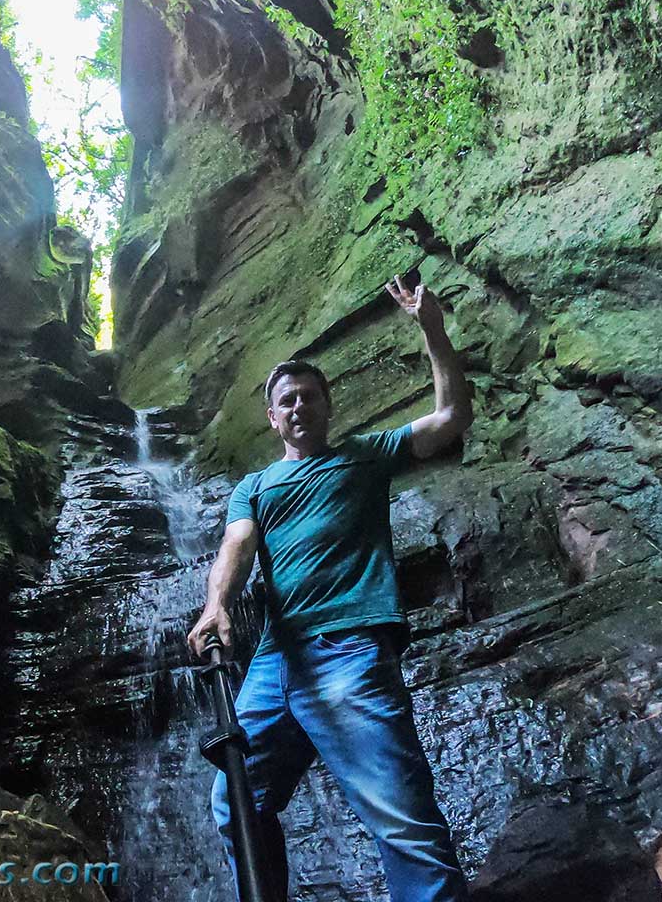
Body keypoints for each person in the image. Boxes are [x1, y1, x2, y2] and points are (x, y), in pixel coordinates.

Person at [186, 274, 474, 902]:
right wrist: (217, 606)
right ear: (272, 418)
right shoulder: (255, 486)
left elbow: (452, 417)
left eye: (309, 396)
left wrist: (432, 328)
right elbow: (236, 546)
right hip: (273, 662)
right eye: (287, 400)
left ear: (327, 405)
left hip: (350, 649)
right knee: (235, 803)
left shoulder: (366, 456)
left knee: (402, 821)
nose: (298, 407)